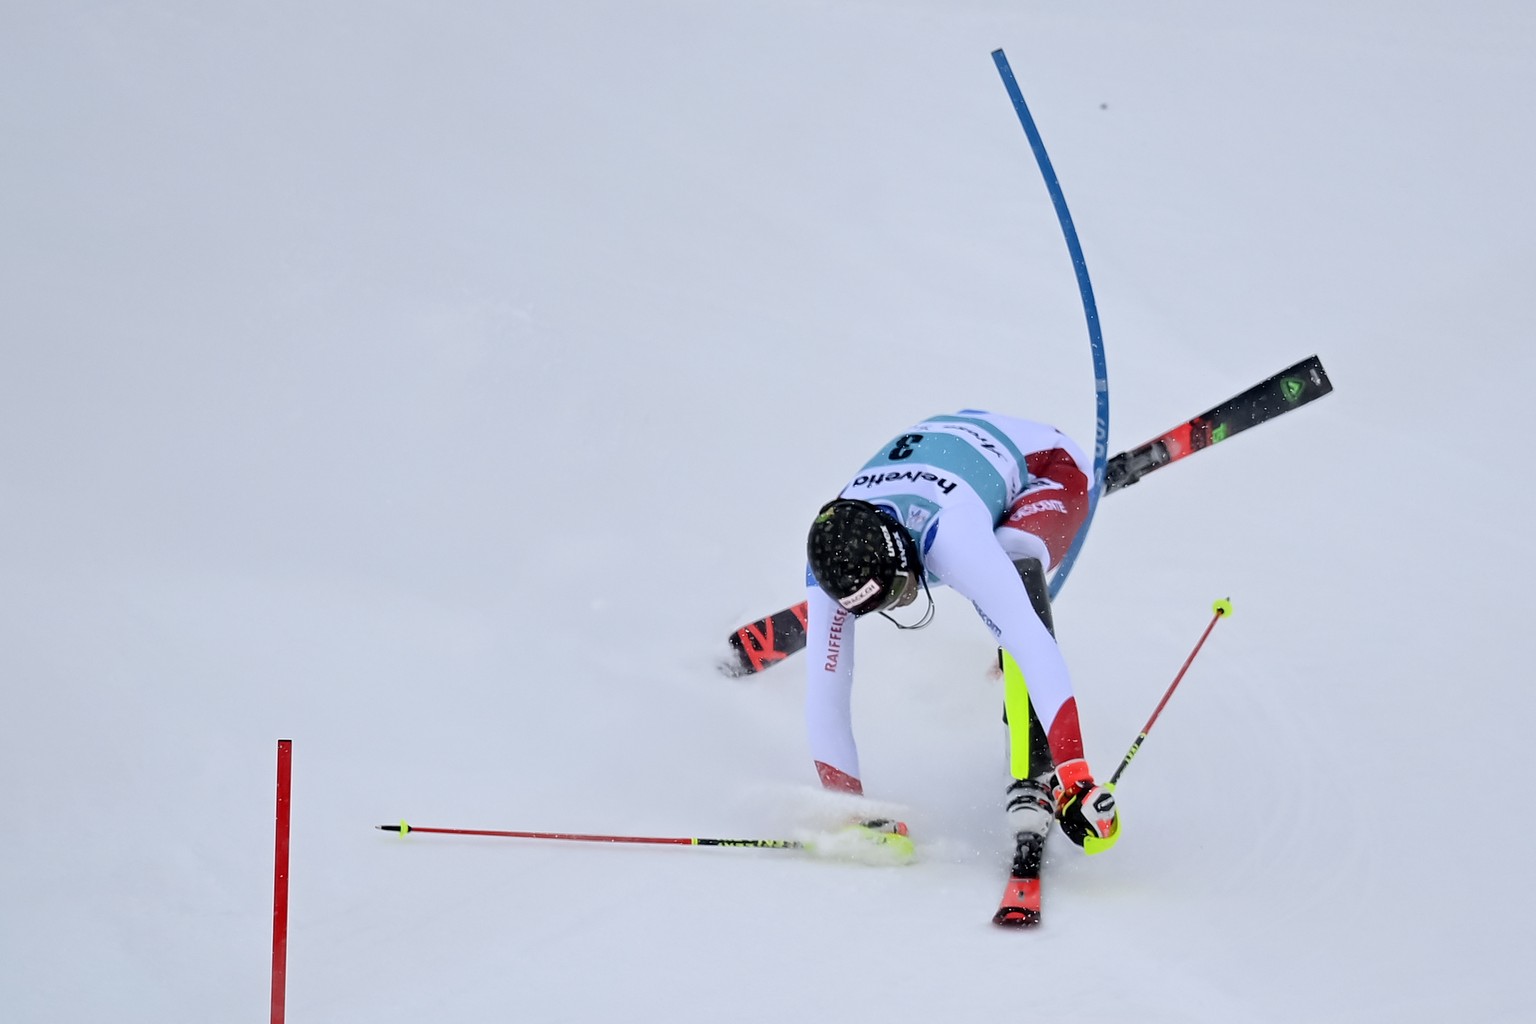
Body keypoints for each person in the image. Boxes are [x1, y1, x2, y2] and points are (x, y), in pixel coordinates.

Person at [802, 409, 1120, 858]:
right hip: (952, 449)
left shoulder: (952, 536)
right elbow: (824, 697)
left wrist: (1077, 777)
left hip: (1048, 466)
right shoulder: (828, 552)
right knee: (992, 592)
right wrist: (848, 811)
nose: (903, 601)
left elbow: (1033, 645)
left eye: (897, 589)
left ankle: (1035, 768)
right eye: (883, 604)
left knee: (1015, 564)